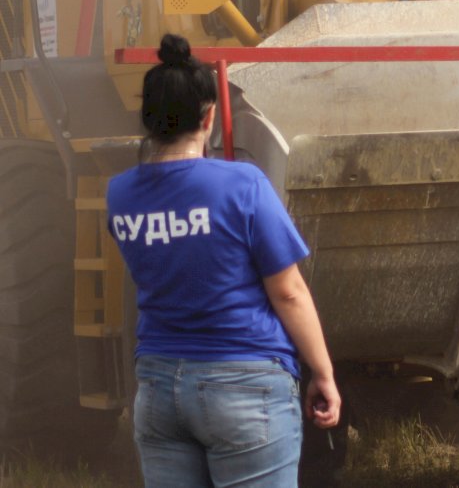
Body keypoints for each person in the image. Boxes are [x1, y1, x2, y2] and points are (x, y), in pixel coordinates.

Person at [107, 34, 341, 487]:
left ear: (148, 120)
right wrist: (324, 373)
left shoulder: (119, 194)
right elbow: (289, 292)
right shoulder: (243, 185)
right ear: (209, 116)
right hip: (244, 387)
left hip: (157, 388)